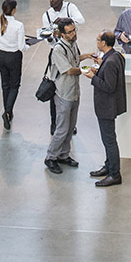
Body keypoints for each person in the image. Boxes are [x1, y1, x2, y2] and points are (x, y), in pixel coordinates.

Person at [44, 18, 93, 174]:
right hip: (63, 94)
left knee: (70, 127)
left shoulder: (72, 44)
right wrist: (86, 71)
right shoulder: (58, 50)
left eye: (74, 30)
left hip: (74, 92)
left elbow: (75, 59)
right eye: (70, 32)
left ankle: (64, 155)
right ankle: (51, 157)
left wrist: (87, 56)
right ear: (62, 34)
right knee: (62, 128)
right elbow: (69, 70)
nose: (73, 34)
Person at [86, 30, 126, 187]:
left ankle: (115, 174)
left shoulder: (110, 62)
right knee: (108, 138)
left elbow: (109, 87)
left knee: (109, 140)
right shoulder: (114, 56)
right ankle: (109, 166)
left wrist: (92, 77)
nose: (96, 42)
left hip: (106, 106)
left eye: (98, 40)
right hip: (111, 105)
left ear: (104, 43)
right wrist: (100, 68)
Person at [0, 0, 26, 131]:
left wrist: (0, 39)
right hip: (14, 57)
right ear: (14, 10)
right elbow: (21, 46)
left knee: (5, 84)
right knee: (14, 86)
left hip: (1, 56)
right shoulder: (18, 25)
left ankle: (8, 112)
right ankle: (7, 112)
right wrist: (29, 46)